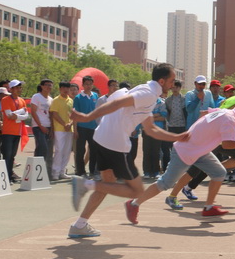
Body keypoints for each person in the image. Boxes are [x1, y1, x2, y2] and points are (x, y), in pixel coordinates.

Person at [67, 63, 189, 238]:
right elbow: (117, 103)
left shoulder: (147, 92)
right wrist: (87, 117)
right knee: (137, 191)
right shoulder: (147, 94)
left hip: (102, 138)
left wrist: (177, 137)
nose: (173, 84)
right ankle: (85, 184)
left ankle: (79, 225)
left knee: (106, 185)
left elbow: (150, 129)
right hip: (116, 143)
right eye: (171, 81)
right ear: (161, 81)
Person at [127, 99, 235, 223]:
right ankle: (134, 203)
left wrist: (198, 133)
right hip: (185, 151)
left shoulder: (224, 112)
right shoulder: (229, 120)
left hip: (198, 150)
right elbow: (227, 145)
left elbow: (204, 114)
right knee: (165, 183)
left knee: (219, 172)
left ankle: (209, 208)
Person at [178, 79, 235, 201]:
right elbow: (206, 113)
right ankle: (176, 191)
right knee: (199, 167)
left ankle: (188, 187)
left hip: (223, 138)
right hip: (216, 138)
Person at [1, 79, 28, 183]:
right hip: (8, 132)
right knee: (7, 155)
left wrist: (17, 116)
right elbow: (9, 115)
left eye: (19, 87)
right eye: (16, 87)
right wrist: (20, 113)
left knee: (12, 156)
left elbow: (25, 116)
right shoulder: (5, 99)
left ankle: (9, 175)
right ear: (11, 89)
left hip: (18, 132)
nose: (19, 89)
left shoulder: (22, 100)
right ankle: (5, 176)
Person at [73, 76, 99, 177]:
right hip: (81, 127)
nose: (88, 86)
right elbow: (75, 115)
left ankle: (93, 171)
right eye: (86, 84)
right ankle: (81, 171)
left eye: (90, 84)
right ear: (83, 85)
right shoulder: (78, 98)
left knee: (94, 150)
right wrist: (75, 130)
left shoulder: (95, 96)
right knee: (80, 150)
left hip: (93, 127)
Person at [50, 82, 74, 181]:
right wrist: (65, 124)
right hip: (59, 129)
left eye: (67, 88)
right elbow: (54, 114)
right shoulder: (56, 100)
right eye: (64, 88)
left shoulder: (71, 101)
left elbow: (74, 114)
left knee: (67, 151)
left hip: (69, 129)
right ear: (60, 89)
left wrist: (70, 124)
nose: (66, 90)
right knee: (59, 150)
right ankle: (55, 172)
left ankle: (62, 171)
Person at [30, 79, 54, 176]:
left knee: (45, 149)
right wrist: (41, 126)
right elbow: (33, 112)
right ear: (42, 86)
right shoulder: (36, 97)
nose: (49, 87)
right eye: (47, 85)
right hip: (38, 126)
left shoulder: (51, 99)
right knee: (42, 147)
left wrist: (52, 128)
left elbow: (51, 115)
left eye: (50, 85)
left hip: (48, 126)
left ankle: (38, 170)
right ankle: (37, 170)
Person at [162, 79, 186, 171]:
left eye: (177, 87)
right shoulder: (168, 100)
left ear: (180, 88)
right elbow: (167, 112)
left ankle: (182, 168)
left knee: (182, 147)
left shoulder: (184, 99)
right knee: (172, 148)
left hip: (182, 126)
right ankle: (172, 168)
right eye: (173, 87)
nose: (175, 89)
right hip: (172, 126)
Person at [142, 96, 167, 179]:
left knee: (156, 152)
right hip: (146, 129)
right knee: (147, 151)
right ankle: (147, 172)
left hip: (157, 130)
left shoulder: (161, 103)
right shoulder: (145, 102)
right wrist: (156, 115)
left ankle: (156, 171)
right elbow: (143, 117)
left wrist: (150, 116)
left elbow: (163, 117)